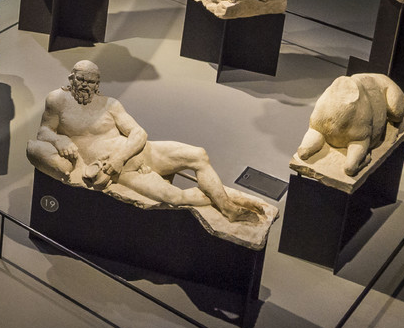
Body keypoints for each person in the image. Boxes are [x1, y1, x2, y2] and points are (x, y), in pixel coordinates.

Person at [26, 60, 263, 224]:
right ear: (71, 78)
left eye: (91, 81)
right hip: (119, 172)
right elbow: (44, 131)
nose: (85, 86)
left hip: (140, 154)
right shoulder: (58, 100)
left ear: (98, 83)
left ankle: (228, 208)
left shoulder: (110, 104)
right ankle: (225, 201)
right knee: (175, 198)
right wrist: (58, 140)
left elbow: (139, 133)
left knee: (198, 154)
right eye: (81, 80)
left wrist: (120, 157)